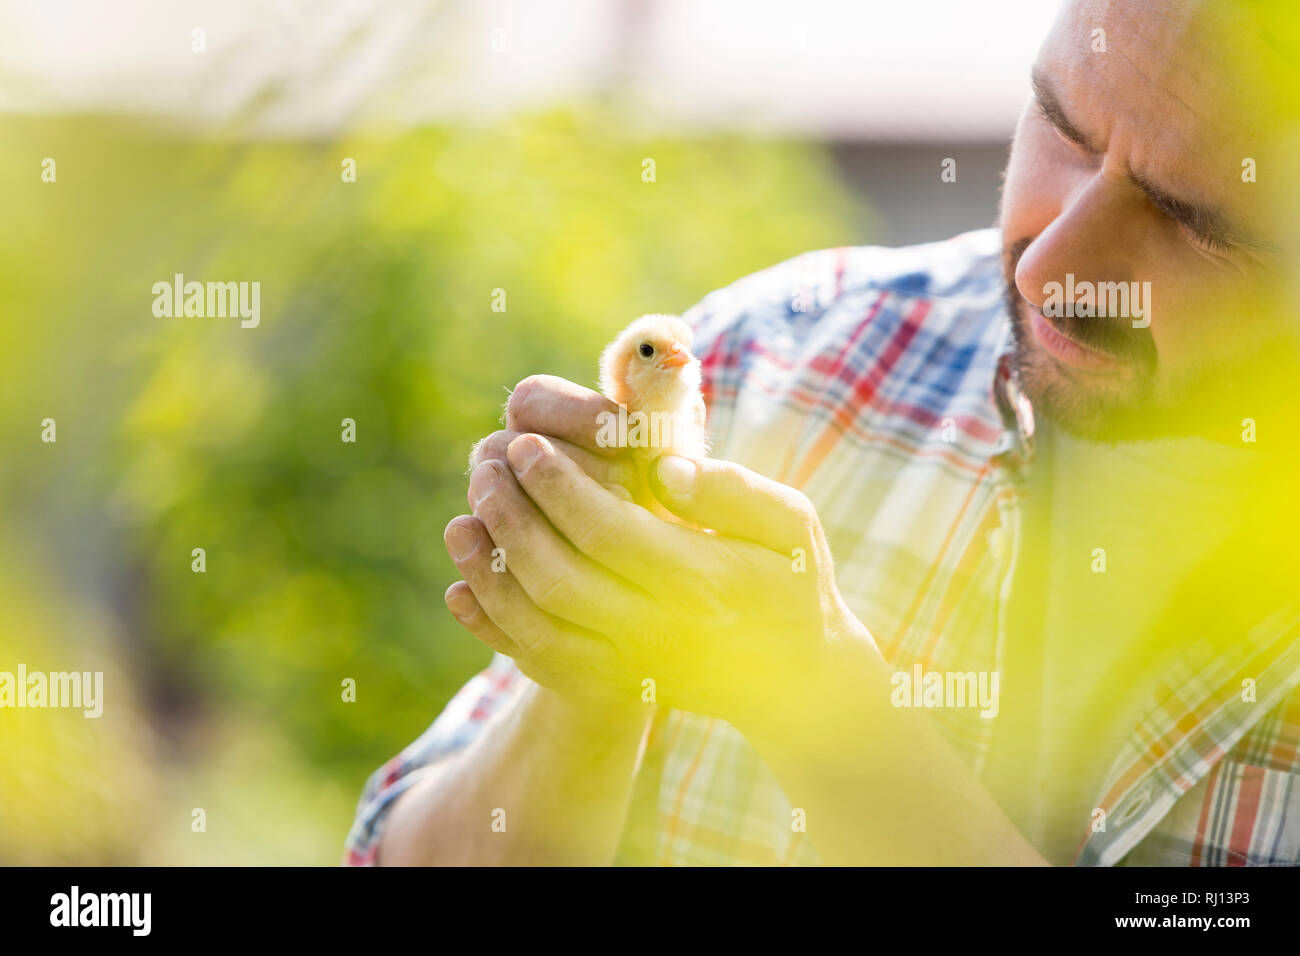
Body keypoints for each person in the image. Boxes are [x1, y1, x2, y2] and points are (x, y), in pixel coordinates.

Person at [346, 0, 1300, 866]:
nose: (1051, 270)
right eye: (1063, 126)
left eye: (1196, 225)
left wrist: (823, 715)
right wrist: (591, 684)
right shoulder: (782, 359)